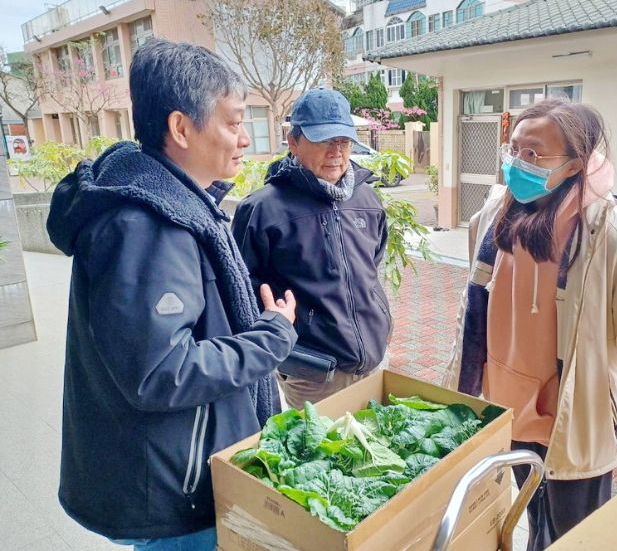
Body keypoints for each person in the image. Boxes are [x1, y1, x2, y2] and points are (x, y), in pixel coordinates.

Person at [46, 39, 298, 551]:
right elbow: (162, 371)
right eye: (232, 122)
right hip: (174, 491)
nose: (245, 138)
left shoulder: (177, 206)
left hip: (177, 470)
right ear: (181, 128)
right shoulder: (147, 226)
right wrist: (271, 337)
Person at [445, 99, 617, 550]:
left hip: (575, 424)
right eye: (514, 150)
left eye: (534, 154)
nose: (518, 163)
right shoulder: (493, 218)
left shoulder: (613, 234)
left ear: (576, 163)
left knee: (579, 536)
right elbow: (474, 314)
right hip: (508, 412)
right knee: (529, 514)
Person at [232, 88, 390, 408]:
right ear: (294, 142)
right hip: (313, 377)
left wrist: (382, 323)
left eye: (343, 141)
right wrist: (281, 343)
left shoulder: (367, 200)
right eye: (324, 141)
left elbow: (375, 270)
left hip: (373, 364)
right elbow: (239, 292)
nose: (336, 152)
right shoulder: (262, 210)